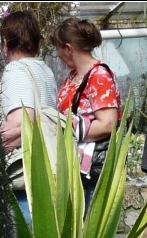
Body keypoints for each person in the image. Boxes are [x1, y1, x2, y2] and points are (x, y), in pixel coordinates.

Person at [51, 18, 121, 205]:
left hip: (94, 171)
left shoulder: (99, 76)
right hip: (75, 165)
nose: (58, 56)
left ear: (68, 48)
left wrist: (68, 131)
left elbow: (108, 124)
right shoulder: (73, 76)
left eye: (58, 49)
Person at [0, 10, 57, 224]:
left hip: (24, 181)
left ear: (6, 42)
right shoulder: (45, 70)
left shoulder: (15, 70)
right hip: (47, 176)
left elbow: (21, 124)